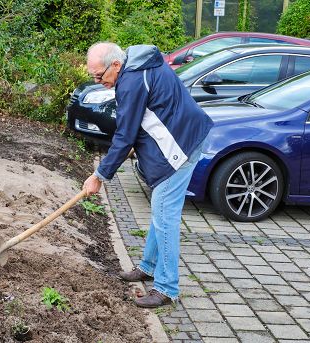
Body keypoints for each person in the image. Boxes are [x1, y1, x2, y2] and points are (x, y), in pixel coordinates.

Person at [82, 42, 214, 308]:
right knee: (160, 210)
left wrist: (99, 175)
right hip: (187, 134)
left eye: (100, 76)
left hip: (180, 147)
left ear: (116, 65)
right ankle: (148, 267)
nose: (98, 81)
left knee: (165, 216)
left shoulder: (131, 81)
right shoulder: (138, 64)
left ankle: (166, 289)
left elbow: (125, 134)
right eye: (93, 76)